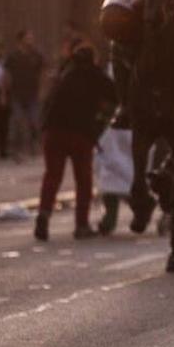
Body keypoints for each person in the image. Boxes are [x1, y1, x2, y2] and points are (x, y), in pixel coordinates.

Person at [36, 41, 118, 241]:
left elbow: (48, 101)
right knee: (83, 180)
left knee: (52, 176)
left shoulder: (64, 74)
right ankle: (81, 225)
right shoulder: (96, 76)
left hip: (53, 131)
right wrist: (102, 116)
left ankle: (43, 214)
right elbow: (116, 96)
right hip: (80, 133)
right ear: (93, 59)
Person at [5, 30, 46, 158]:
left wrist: (42, 90)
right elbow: (7, 75)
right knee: (17, 122)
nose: (30, 41)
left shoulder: (37, 56)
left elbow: (42, 74)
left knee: (34, 121)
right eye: (28, 38)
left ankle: (35, 147)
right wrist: (4, 93)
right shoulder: (13, 57)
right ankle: (17, 149)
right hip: (17, 94)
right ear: (21, 40)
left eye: (31, 38)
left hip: (32, 94)